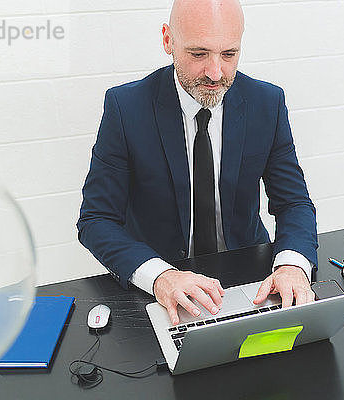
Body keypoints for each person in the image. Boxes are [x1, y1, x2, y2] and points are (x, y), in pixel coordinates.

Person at [77, 0, 318, 325]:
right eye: (199, 54)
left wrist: (291, 264)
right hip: (161, 283)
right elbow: (97, 219)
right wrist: (160, 276)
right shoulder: (126, 108)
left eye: (229, 54)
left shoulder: (267, 103)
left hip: (250, 276)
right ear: (168, 41)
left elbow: (294, 203)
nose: (215, 73)